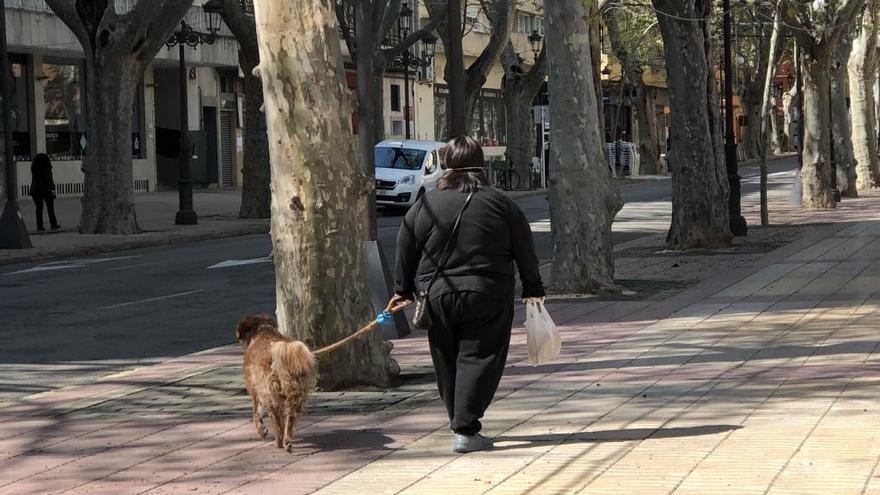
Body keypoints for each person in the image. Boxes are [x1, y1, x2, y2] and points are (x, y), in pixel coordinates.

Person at [393, 136, 545, 454]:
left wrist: (402, 289)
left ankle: (460, 420)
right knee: (480, 356)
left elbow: (405, 244)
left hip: (437, 293)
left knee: (446, 359)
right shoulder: (501, 203)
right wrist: (532, 287)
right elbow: (524, 249)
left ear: (446, 164)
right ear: (482, 163)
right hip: (487, 292)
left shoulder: (427, 202)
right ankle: (465, 426)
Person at [29, 153, 60, 232]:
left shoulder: (34, 167)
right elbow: (49, 179)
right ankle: (53, 224)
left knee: (39, 208)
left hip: (35, 190)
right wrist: (53, 190)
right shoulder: (47, 167)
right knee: (50, 207)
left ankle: (39, 226)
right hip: (45, 189)